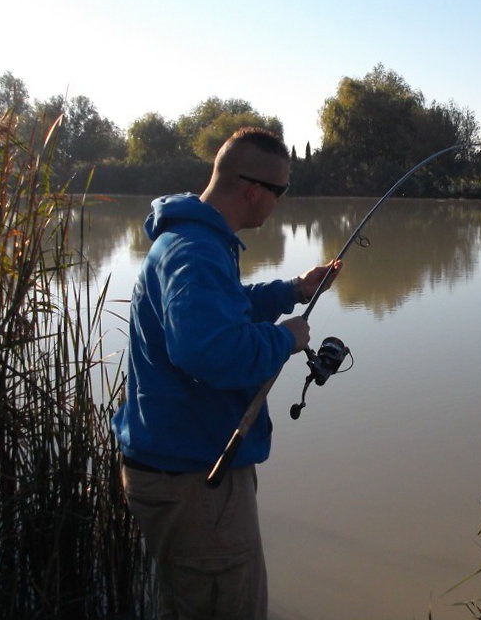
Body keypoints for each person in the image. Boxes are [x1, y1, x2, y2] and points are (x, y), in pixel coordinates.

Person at [112, 127, 341, 620]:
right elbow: (211, 351)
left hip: (187, 467)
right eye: (280, 192)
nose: (279, 204)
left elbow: (224, 311)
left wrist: (291, 290)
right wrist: (286, 339)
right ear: (253, 191)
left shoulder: (195, 241)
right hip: (196, 481)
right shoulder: (194, 252)